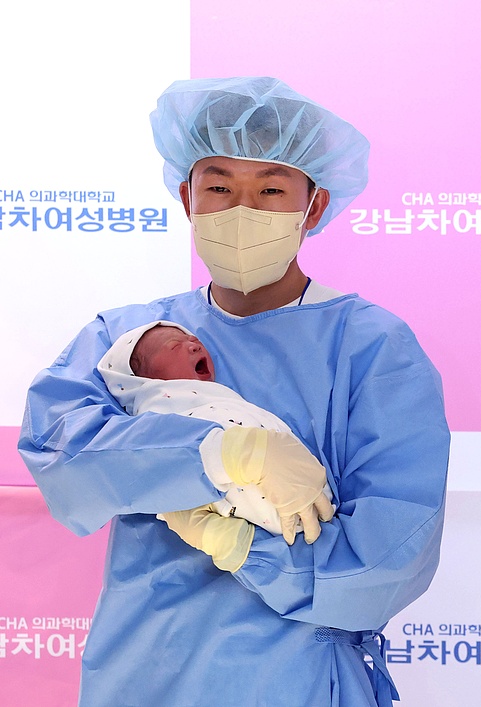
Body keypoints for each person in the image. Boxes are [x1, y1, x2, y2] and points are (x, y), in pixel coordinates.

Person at [19, 76, 450, 707]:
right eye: (219, 187)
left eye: (271, 189)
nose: (242, 210)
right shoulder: (128, 339)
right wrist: (220, 455)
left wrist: (243, 545)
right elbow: (62, 456)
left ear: (314, 207)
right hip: (144, 670)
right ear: (187, 198)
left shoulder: (371, 348)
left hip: (296, 678)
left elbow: (390, 555)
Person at [98, 320, 335, 537]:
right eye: (175, 346)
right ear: (141, 379)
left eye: (193, 340)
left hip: (294, 479)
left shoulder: (218, 396)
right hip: (248, 491)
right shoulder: (157, 407)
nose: (194, 346)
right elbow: (164, 456)